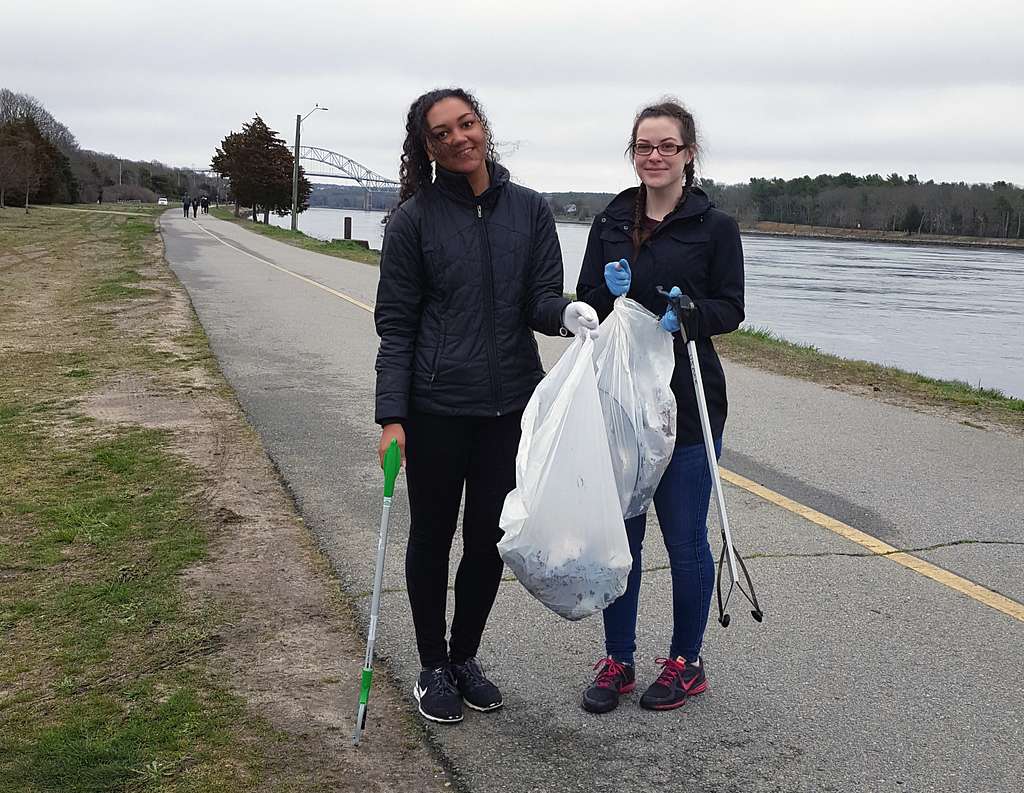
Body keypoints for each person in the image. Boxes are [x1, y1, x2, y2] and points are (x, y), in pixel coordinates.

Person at [374, 87, 599, 725]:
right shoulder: (413, 221)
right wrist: (392, 417)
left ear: (483, 127)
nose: (457, 139)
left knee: (487, 540)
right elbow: (396, 326)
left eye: (465, 124)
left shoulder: (529, 211)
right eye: (440, 133)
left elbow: (538, 299)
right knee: (433, 534)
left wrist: (566, 315)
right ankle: (431, 664)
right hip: (436, 408)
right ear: (426, 148)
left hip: (508, 409)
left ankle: (465, 656)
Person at [575, 98, 744, 714]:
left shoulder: (714, 227)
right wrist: (601, 294)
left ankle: (685, 661)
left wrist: (690, 314)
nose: (653, 156)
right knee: (624, 536)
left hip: (688, 403)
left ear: (687, 153)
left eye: (666, 146)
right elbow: (588, 303)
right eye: (644, 146)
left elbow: (731, 307)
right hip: (621, 402)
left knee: (685, 541)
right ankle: (618, 659)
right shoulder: (610, 220)